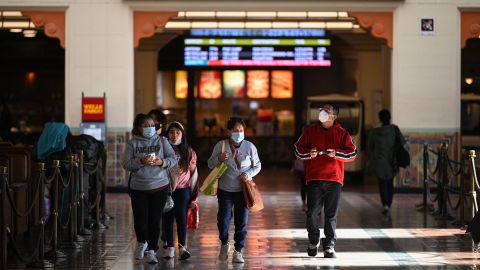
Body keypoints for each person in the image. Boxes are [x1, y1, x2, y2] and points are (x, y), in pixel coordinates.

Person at [294, 103, 357, 258]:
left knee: (331, 214)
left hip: (334, 179)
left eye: (326, 111)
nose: (322, 112)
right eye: (321, 110)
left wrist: (336, 153)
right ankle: (313, 240)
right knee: (312, 213)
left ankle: (329, 245)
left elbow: (352, 153)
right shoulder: (310, 131)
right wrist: (309, 154)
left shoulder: (342, 133)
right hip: (314, 178)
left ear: (334, 117)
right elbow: (297, 149)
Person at [123, 113, 177, 264]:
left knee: (154, 220)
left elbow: (173, 159)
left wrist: (161, 162)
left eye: (152, 125)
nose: (149, 128)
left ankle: (152, 250)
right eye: (146, 126)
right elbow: (126, 164)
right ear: (139, 128)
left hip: (159, 186)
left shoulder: (162, 140)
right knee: (140, 220)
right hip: (138, 188)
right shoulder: (132, 143)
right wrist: (141, 161)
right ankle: (142, 242)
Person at [207, 117, 261, 263]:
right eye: (236, 130)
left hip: (243, 190)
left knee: (241, 221)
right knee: (223, 219)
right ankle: (224, 243)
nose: (239, 133)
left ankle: (238, 250)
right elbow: (210, 164)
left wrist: (248, 174)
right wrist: (219, 158)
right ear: (229, 131)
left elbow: (257, 165)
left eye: (241, 131)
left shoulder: (250, 147)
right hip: (225, 189)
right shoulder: (221, 145)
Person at [161, 121, 198, 260]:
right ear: (167, 134)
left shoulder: (189, 152)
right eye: (171, 132)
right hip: (165, 189)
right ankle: (170, 247)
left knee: (182, 219)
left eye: (178, 132)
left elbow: (194, 174)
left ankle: (182, 247)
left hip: (183, 191)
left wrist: (194, 196)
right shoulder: (162, 150)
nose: (174, 135)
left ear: (182, 135)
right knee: (167, 218)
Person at [366, 109, 406, 215]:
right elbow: (402, 142)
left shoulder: (374, 132)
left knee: (382, 184)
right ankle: (389, 203)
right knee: (390, 183)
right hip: (392, 160)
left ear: (380, 118)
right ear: (390, 117)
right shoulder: (394, 129)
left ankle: (385, 205)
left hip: (380, 162)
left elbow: (370, 148)